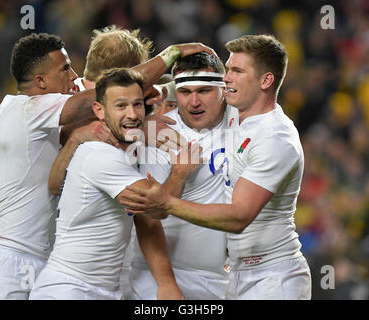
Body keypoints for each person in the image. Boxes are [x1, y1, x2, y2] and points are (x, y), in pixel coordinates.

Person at [0, 31, 215, 300]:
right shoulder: (30, 109)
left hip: (25, 257)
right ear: (41, 80)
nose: (73, 75)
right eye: (65, 69)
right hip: (11, 263)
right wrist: (171, 54)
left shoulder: (34, 116)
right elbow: (152, 210)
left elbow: (52, 183)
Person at [122, 34, 312, 300]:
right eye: (229, 69)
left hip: (269, 275)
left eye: (237, 71)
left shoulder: (272, 136)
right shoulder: (232, 117)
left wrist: (166, 200)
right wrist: (155, 100)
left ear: (265, 80)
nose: (228, 77)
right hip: (227, 277)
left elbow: (238, 217)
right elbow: (117, 93)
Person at [29, 68, 182, 300]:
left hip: (103, 290)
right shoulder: (100, 154)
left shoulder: (129, 153)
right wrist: (181, 171)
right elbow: (156, 208)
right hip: (69, 289)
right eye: (121, 106)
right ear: (99, 110)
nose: (132, 114)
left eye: (138, 105)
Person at [128, 52, 235, 300]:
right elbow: (148, 217)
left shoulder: (240, 122)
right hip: (160, 279)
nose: (194, 102)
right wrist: (179, 173)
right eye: (185, 92)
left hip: (219, 280)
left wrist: (164, 92)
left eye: (204, 91)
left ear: (223, 90)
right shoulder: (160, 131)